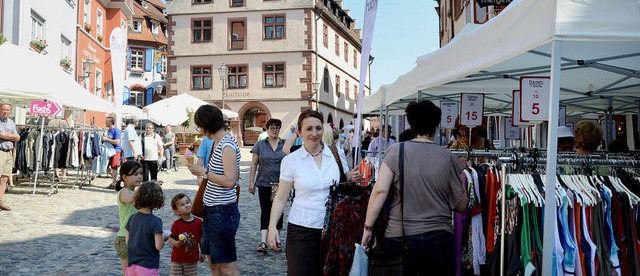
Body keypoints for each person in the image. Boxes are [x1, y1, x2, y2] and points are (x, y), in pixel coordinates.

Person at [360, 100, 468, 275]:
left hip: (400, 236)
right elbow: (461, 205)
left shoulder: (396, 151)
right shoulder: (448, 157)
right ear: (436, 125)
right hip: (439, 239)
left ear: (411, 125)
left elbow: (380, 191)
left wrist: (368, 229)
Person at [267, 109, 361, 275]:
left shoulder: (335, 154)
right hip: (302, 231)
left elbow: (344, 179)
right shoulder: (291, 160)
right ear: (300, 132)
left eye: (318, 128)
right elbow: (281, 198)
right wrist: (272, 226)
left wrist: (352, 177)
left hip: (333, 229)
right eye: (309, 129)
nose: (314, 133)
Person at [188, 105, 241, 276]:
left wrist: (204, 172)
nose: (200, 130)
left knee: (227, 267)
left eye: (199, 126)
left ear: (206, 124)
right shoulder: (217, 143)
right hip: (212, 210)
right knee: (214, 264)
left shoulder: (227, 145)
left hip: (223, 211)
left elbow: (230, 181)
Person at [248, 118, 286, 254]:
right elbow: (253, 164)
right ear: (267, 129)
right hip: (264, 182)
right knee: (266, 211)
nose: (274, 130)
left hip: (281, 184)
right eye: (272, 128)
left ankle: (277, 239)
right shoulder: (260, 145)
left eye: (277, 128)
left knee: (279, 212)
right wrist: (251, 182)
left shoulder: (284, 145)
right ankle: (263, 241)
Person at [125, 181, 168, 275]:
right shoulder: (156, 221)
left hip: (131, 266)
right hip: (148, 266)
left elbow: (127, 241)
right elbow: (159, 245)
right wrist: (164, 237)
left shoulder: (132, 218)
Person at [113, 161, 143, 275]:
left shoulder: (133, 192)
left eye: (141, 173)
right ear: (125, 177)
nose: (140, 177)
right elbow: (130, 200)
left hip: (135, 237)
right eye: (135, 174)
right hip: (123, 238)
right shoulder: (124, 192)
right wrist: (144, 188)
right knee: (128, 272)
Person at [169, 193, 204, 276]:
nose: (186, 205)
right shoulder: (176, 224)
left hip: (191, 259)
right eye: (182, 205)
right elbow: (171, 238)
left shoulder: (199, 222)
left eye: (187, 202)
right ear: (177, 211)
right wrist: (176, 243)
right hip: (177, 259)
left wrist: (203, 252)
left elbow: (201, 238)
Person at [0, 103, 19, 211]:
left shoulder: (12, 123)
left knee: (4, 178)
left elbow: (18, 137)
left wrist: (9, 136)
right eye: (3, 109)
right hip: (0, 151)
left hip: (8, 153)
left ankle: (0, 201)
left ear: (10, 112)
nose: (5, 112)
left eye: (7, 110)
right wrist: (11, 136)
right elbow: (1, 135)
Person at [103, 116, 122, 189]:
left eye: (106, 121)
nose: (105, 122)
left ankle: (114, 183)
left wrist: (106, 139)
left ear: (110, 122)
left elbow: (117, 141)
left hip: (115, 151)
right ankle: (116, 179)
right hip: (108, 150)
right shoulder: (108, 131)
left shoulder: (116, 131)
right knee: (106, 167)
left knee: (114, 167)